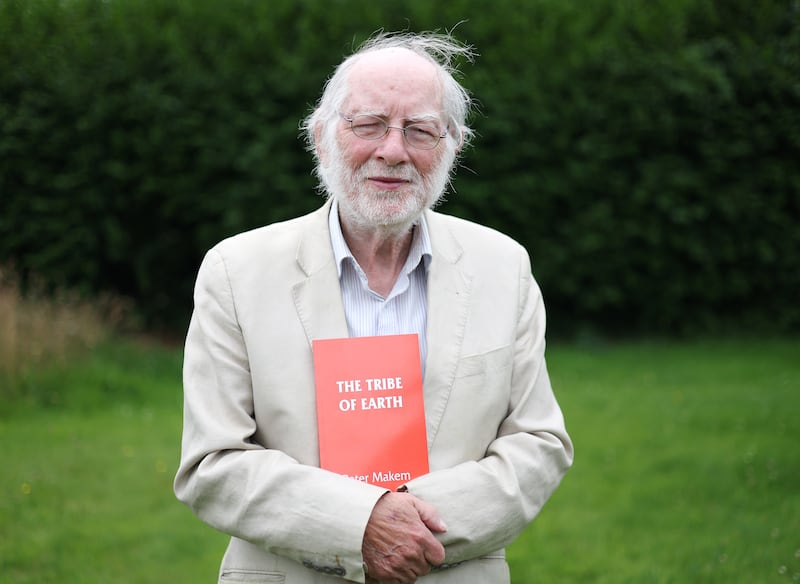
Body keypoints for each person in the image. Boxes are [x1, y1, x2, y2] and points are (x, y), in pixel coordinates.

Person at [174, 30, 573, 584]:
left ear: (451, 146)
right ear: (321, 137)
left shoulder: (503, 267)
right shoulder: (236, 272)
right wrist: (359, 526)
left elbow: (538, 444)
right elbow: (212, 465)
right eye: (368, 124)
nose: (393, 149)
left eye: (420, 130)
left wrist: (407, 530)